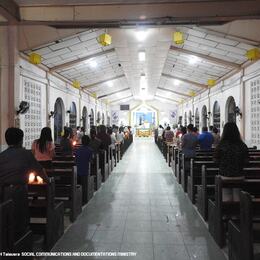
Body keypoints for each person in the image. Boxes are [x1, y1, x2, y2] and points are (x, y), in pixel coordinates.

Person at [0, 128, 49, 240]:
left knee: (6, 218)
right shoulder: (25, 154)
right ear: (20, 140)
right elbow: (39, 170)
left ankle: (7, 241)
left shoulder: (2, 155)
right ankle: (20, 243)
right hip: (18, 191)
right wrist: (48, 181)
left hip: (3, 191)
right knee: (20, 218)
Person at [214, 122, 248, 201]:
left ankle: (227, 208)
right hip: (239, 175)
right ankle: (239, 209)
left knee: (226, 195)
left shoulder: (220, 145)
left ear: (224, 132)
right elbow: (246, 161)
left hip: (224, 175)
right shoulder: (242, 145)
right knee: (238, 195)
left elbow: (215, 161)